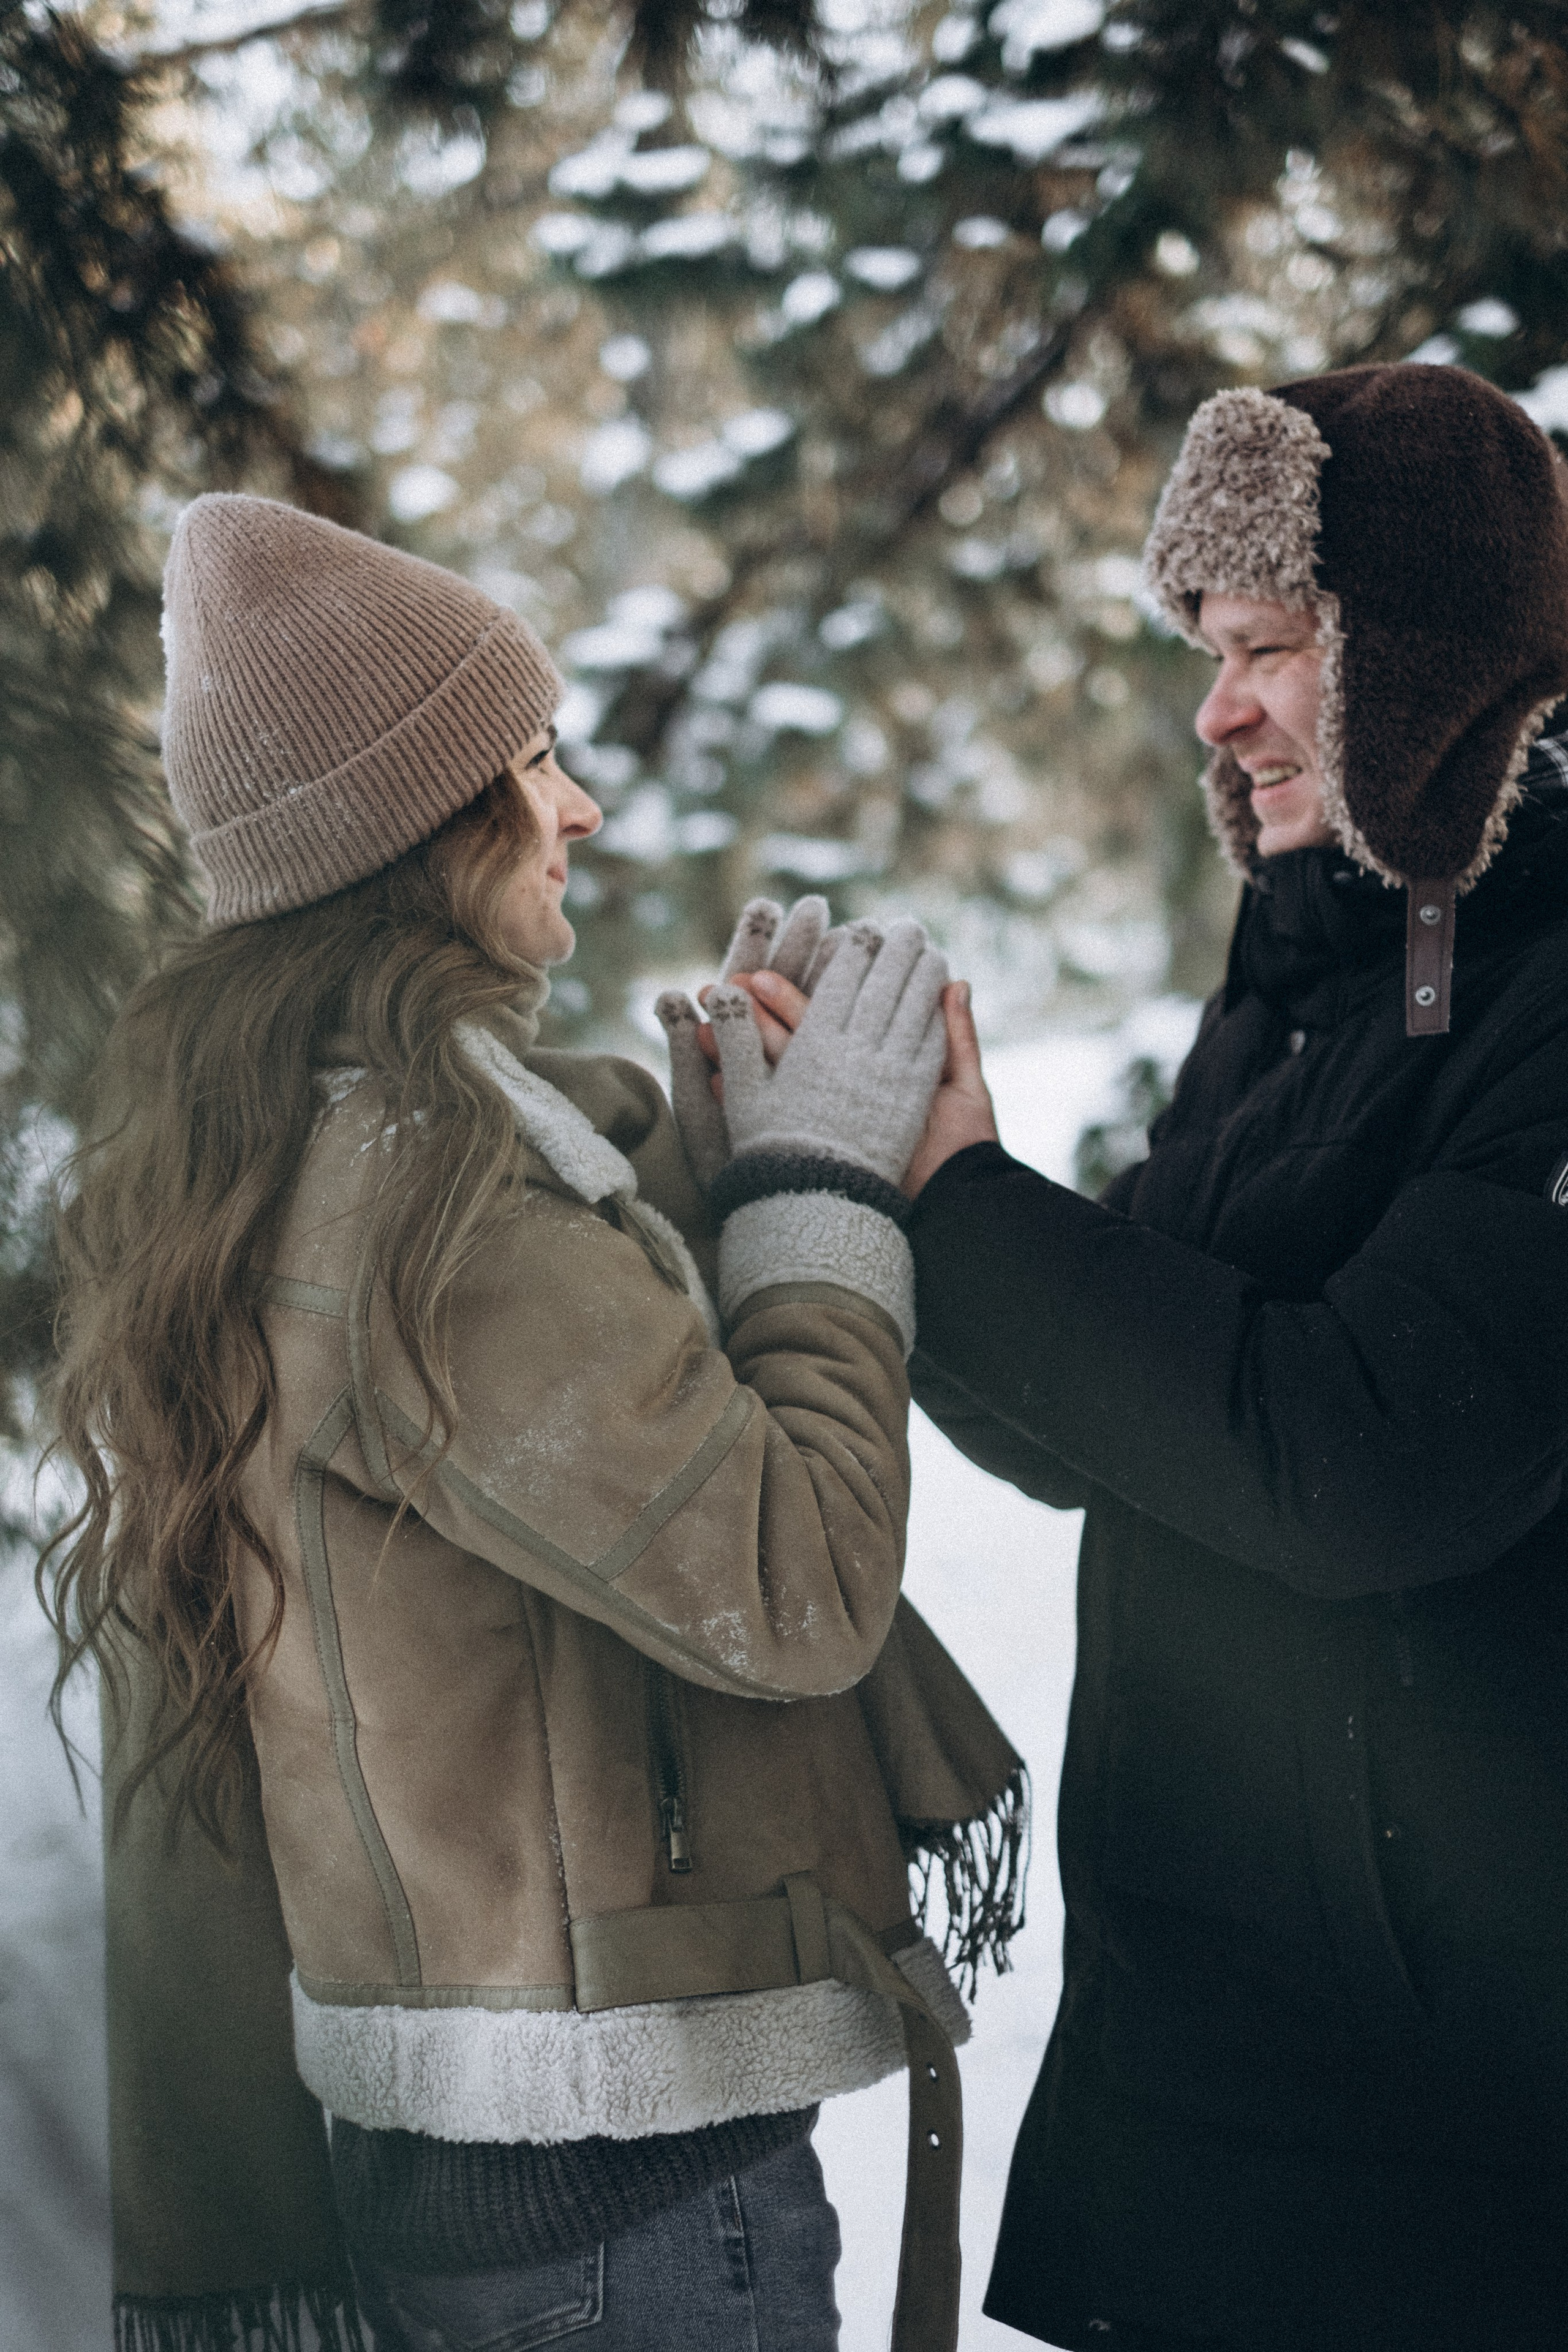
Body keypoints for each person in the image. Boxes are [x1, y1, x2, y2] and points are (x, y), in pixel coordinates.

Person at [43, 494, 1028, 2352]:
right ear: (416, 828)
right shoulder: (445, 1214)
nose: (577, 807)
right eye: (532, 762)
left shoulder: (275, 1163)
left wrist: (714, 1196)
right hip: (628, 2219)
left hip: (500, 2188)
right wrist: (822, 1201)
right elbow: (791, 1581)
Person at [709, 364, 1568, 2349]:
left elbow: (1359, 1460)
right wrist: (894, 1185)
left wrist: (971, 1190)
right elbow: (1125, 1429)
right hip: (1207, 2027)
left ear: (1435, 668)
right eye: (1210, 650)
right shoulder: (1305, 976)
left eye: (1272, 648)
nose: (1220, 706)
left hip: (1442, 2113)